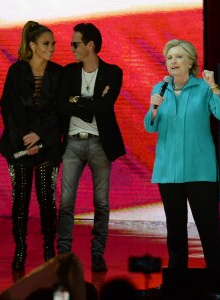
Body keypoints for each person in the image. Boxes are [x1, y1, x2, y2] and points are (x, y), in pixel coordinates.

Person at [144, 39, 220, 270]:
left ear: (190, 61)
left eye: (178, 57)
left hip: (199, 169)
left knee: (207, 228)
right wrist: (153, 108)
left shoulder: (204, 88)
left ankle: (217, 280)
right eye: (169, 58)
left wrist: (214, 86)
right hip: (168, 170)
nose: (172, 61)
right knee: (175, 230)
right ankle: (177, 281)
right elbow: (150, 127)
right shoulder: (159, 88)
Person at [56, 23, 126, 272]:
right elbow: (61, 107)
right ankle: (63, 256)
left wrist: (76, 100)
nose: (71, 48)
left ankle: (98, 254)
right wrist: (91, 103)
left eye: (75, 44)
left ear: (90, 45)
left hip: (100, 144)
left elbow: (105, 108)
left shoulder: (113, 72)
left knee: (102, 202)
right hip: (73, 143)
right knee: (66, 202)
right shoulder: (67, 73)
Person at [0, 20, 63, 272]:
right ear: (33, 46)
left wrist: (41, 137)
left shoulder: (58, 73)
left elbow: (60, 112)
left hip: (47, 145)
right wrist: (27, 137)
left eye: (53, 44)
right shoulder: (16, 72)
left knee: (48, 200)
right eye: (47, 44)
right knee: (20, 199)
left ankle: (49, 249)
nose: (52, 48)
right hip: (19, 144)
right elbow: (9, 109)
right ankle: (20, 248)